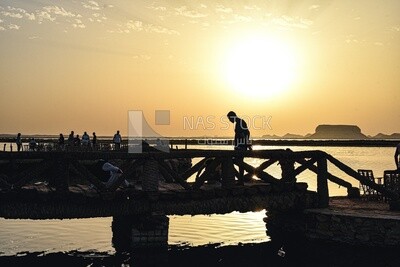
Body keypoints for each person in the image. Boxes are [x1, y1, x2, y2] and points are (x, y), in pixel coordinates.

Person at [227, 111, 252, 185]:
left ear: (232, 117)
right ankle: (240, 180)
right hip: (240, 146)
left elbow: (244, 134)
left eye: (229, 119)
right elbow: (247, 133)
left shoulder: (239, 123)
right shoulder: (239, 122)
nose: (229, 120)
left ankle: (240, 180)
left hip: (241, 147)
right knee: (240, 163)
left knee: (239, 163)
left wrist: (248, 145)